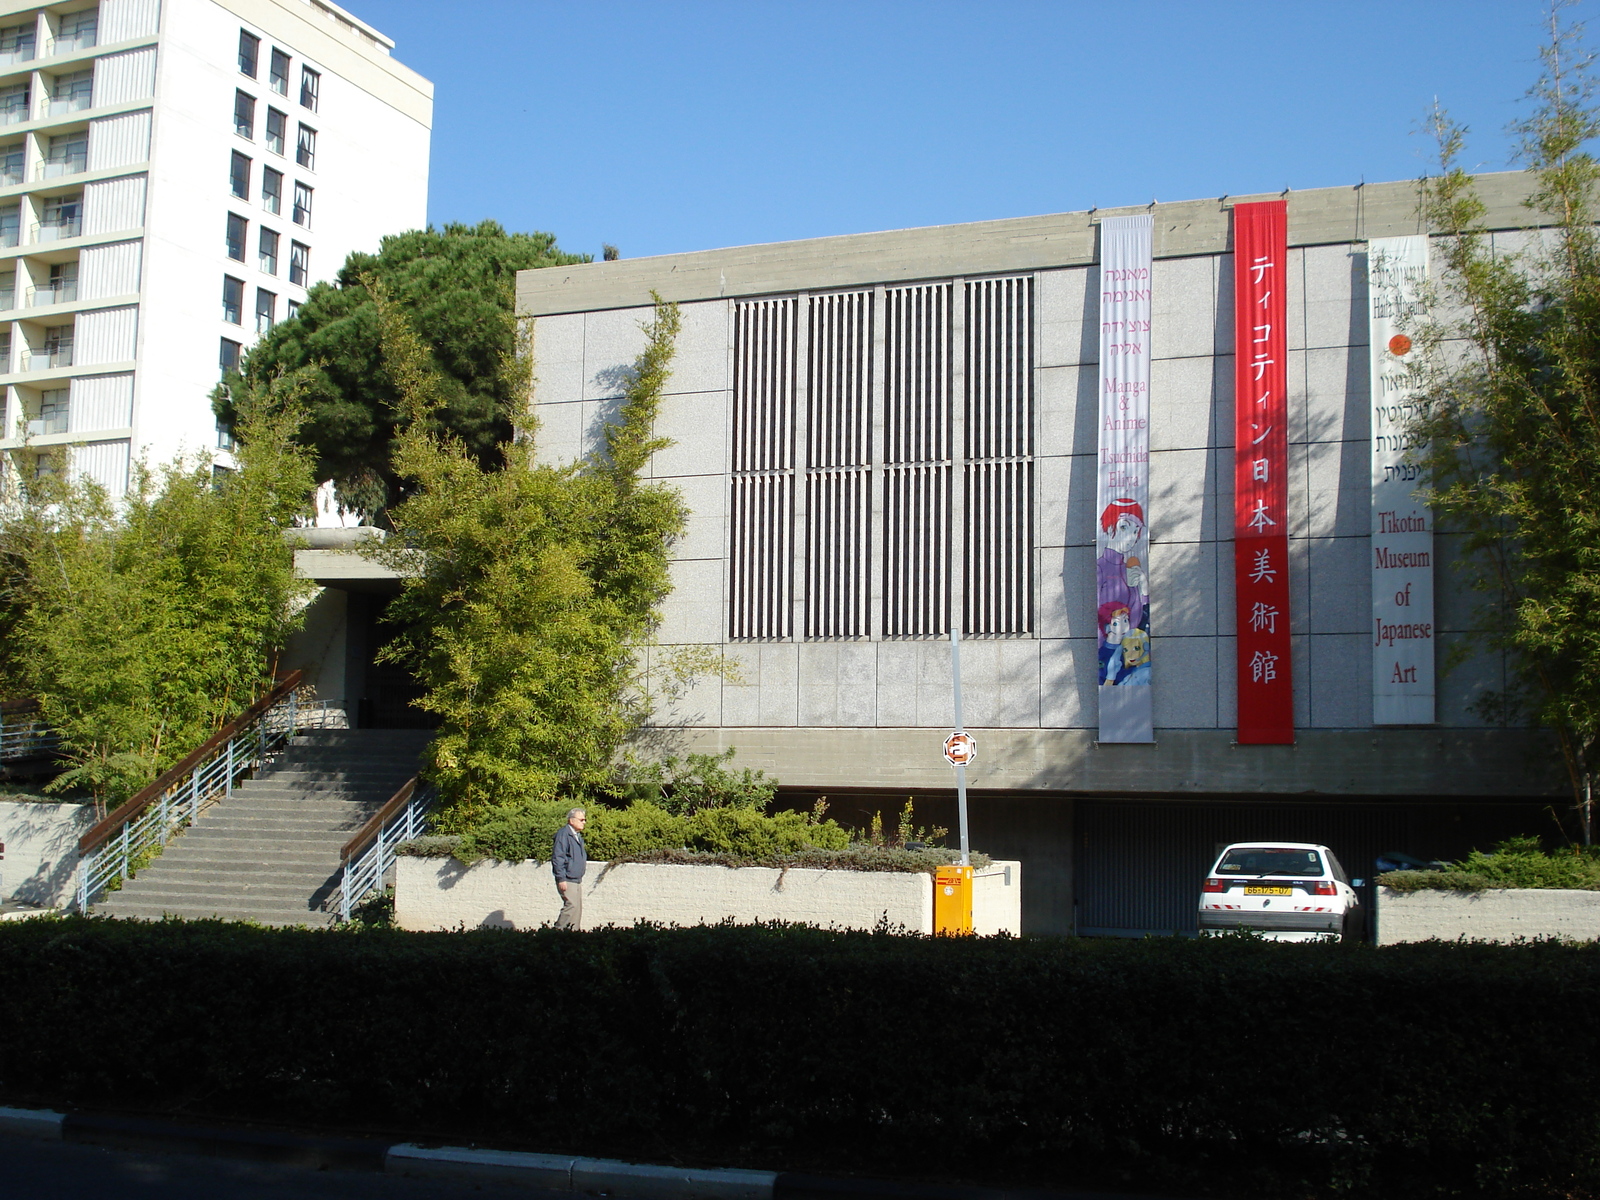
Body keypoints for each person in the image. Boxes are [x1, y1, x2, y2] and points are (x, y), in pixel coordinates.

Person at [552, 807, 587, 929]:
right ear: (571, 820)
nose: (584, 822)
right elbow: (558, 857)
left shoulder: (577, 836)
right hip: (567, 879)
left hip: (576, 879)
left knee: (577, 909)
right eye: (581, 819)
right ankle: (557, 933)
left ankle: (573, 936)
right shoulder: (564, 834)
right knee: (571, 906)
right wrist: (561, 878)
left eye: (584, 820)